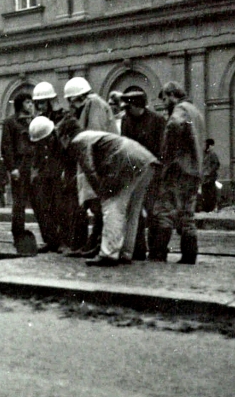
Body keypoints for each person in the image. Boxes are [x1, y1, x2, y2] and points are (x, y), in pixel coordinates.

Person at [70, 130, 158, 266]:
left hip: (126, 160)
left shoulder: (78, 141)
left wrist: (101, 193)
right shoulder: (93, 136)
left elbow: (89, 168)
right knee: (132, 211)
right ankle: (126, 253)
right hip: (146, 160)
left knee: (113, 205)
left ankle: (108, 253)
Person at [56, 76, 116, 258]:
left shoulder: (95, 105)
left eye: (71, 100)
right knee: (96, 204)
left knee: (99, 205)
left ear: (78, 97)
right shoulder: (89, 107)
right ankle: (94, 242)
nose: (70, 104)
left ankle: (97, 243)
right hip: (96, 161)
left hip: (101, 162)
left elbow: (93, 136)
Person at [151, 81, 205, 264]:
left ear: (172, 95)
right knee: (187, 214)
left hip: (178, 169)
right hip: (194, 170)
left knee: (165, 211)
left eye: (165, 99)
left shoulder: (180, 110)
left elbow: (174, 126)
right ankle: (190, 255)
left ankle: (158, 254)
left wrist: (166, 157)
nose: (165, 103)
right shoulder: (195, 111)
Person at [120, 89, 166, 259]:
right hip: (133, 173)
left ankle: (156, 251)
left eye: (129, 106)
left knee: (153, 212)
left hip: (152, 172)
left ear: (137, 105)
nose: (126, 110)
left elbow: (162, 149)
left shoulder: (157, 121)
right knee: (134, 212)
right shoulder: (126, 120)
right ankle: (138, 249)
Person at [1, 92, 36, 243]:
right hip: (20, 165)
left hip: (34, 165)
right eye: (28, 102)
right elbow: (6, 146)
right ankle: (18, 235)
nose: (31, 105)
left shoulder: (34, 121)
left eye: (31, 102)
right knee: (19, 202)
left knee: (39, 202)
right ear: (20, 104)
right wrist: (12, 168)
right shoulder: (10, 122)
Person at [28, 116, 66, 253]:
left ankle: (62, 241)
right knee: (43, 208)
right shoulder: (41, 142)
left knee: (60, 208)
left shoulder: (60, 140)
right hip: (46, 177)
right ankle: (50, 240)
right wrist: (36, 173)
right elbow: (37, 160)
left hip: (58, 177)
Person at [200, 138, 220, 212]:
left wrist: (209, 172)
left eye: (205, 144)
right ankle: (206, 208)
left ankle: (212, 208)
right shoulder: (204, 154)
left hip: (210, 177)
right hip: (204, 177)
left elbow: (216, 164)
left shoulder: (212, 154)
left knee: (211, 193)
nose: (203, 146)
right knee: (205, 193)